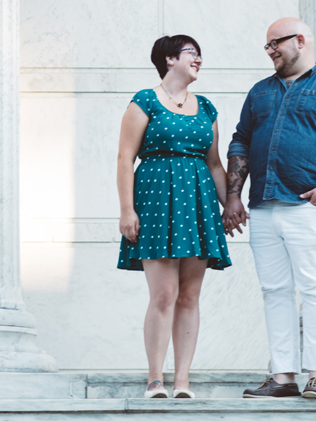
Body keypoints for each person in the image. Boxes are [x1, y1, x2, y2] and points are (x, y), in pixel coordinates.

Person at [228, 17, 316, 401]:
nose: (270, 51)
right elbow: (240, 141)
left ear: (300, 40)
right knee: (274, 291)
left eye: (275, 43)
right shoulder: (259, 92)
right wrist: (234, 196)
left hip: (308, 205)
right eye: (268, 46)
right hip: (263, 207)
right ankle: (283, 377)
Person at [116, 34, 241, 399]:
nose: (199, 59)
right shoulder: (144, 102)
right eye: (192, 53)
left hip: (198, 204)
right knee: (164, 294)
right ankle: (156, 378)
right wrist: (127, 210)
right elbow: (125, 159)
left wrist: (230, 202)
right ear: (170, 59)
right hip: (155, 201)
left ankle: (182, 380)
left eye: (201, 54)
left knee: (190, 295)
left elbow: (215, 163)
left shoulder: (206, 108)